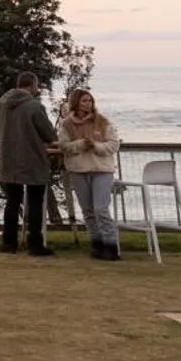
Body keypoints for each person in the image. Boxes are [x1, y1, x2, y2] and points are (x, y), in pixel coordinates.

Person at [0, 71, 60, 257]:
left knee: (12, 202)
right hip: (32, 159)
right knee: (35, 201)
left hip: (8, 159)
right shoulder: (34, 106)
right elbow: (48, 134)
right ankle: (35, 244)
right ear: (33, 85)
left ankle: (8, 242)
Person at [59, 89, 122, 261]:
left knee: (100, 208)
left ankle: (111, 245)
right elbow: (64, 146)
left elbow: (114, 144)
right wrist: (79, 145)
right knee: (87, 210)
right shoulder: (66, 125)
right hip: (78, 170)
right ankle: (97, 243)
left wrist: (96, 146)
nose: (88, 104)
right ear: (76, 103)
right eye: (84, 101)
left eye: (90, 101)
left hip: (101, 170)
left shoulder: (102, 122)